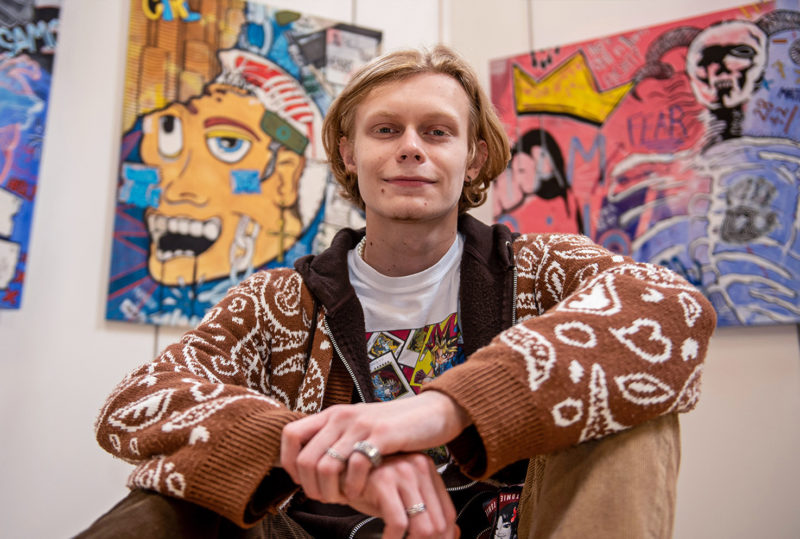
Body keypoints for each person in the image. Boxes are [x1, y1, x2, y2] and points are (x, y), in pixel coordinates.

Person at [81, 45, 716, 538]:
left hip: (514, 526)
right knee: (183, 484)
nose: (411, 148)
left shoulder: (541, 270)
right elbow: (138, 400)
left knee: (630, 406)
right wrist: (307, 448)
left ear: (473, 158)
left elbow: (674, 309)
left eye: (437, 132)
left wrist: (436, 411)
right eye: (385, 130)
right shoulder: (278, 302)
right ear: (348, 154)